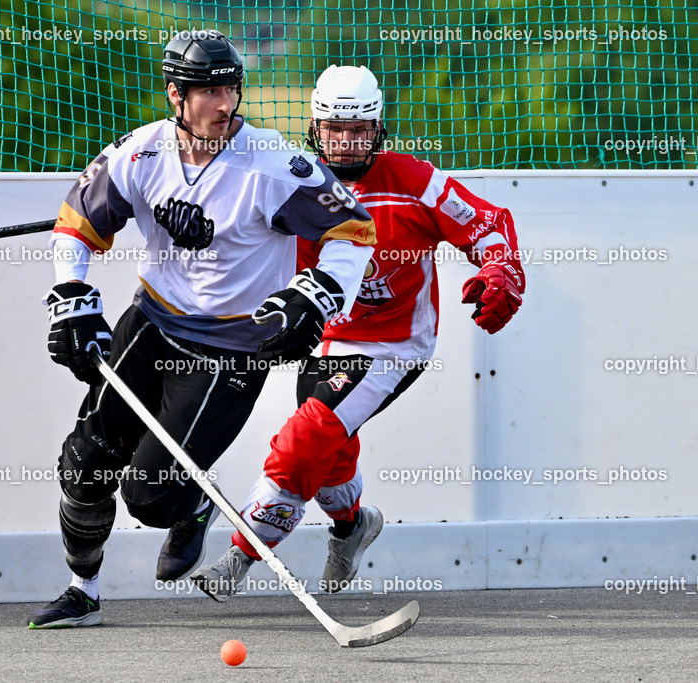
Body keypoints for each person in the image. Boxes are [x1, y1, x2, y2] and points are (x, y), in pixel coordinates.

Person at [27, 34, 378, 628]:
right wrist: (72, 296)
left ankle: (190, 509)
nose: (224, 103)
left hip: (231, 349)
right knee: (83, 464)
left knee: (151, 496)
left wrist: (314, 296)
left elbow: (353, 231)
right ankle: (81, 590)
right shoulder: (141, 154)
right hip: (152, 322)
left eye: (231, 89)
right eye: (210, 91)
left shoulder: (272, 162)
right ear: (176, 94)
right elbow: (76, 224)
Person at [191, 64, 526, 600]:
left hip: (394, 345)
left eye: (361, 131)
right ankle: (352, 527)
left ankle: (242, 552)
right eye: (334, 131)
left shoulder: (416, 182)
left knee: (307, 439)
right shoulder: (292, 182)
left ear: (380, 130)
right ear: (314, 130)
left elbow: (487, 224)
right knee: (329, 456)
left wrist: (500, 270)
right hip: (324, 339)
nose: (347, 144)